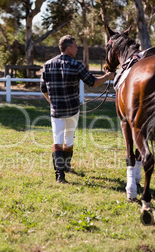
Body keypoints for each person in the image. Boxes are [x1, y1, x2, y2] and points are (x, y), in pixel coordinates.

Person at [40, 35, 115, 183]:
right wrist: (108, 76)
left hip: (56, 111)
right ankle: (66, 166)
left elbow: (43, 89)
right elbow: (92, 82)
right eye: (75, 46)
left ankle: (60, 175)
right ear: (68, 48)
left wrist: (52, 102)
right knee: (68, 139)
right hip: (73, 110)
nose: (77, 48)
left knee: (57, 141)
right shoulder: (76, 65)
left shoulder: (47, 65)